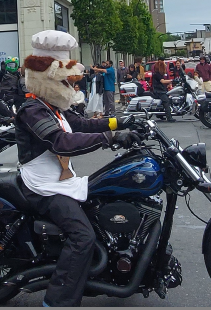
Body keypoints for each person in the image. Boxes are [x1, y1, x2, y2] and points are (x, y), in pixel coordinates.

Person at [14, 31, 140, 307]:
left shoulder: (54, 108)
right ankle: (56, 301)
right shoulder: (32, 109)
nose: (69, 86)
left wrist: (119, 123)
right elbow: (61, 141)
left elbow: (82, 124)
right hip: (43, 186)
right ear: (47, 77)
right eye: (63, 80)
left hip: (61, 180)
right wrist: (110, 139)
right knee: (83, 236)